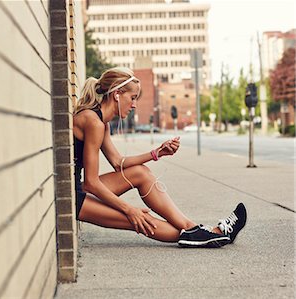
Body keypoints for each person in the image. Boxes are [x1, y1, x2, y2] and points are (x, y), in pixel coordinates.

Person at [73, 67, 247, 248]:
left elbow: (118, 163)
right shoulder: (93, 122)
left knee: (141, 173)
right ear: (117, 94)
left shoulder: (102, 123)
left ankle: (195, 229)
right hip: (74, 198)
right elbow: (91, 182)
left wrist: (157, 153)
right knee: (140, 219)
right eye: (132, 98)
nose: (134, 105)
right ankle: (207, 234)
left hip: (81, 189)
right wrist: (129, 209)